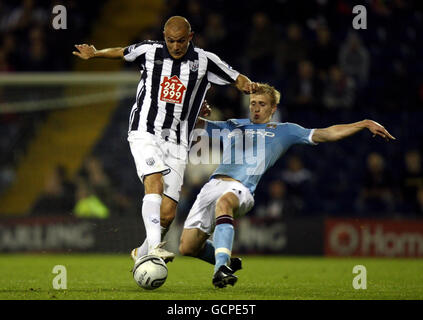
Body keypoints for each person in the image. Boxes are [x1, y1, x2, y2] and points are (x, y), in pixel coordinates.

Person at [72, 16, 257, 264]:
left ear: (190, 38)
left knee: (168, 214)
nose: (176, 46)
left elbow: (235, 76)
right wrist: (95, 54)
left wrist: (247, 86)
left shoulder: (204, 61)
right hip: (145, 131)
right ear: (164, 37)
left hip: (178, 142)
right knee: (154, 181)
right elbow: (121, 52)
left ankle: (142, 251)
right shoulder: (149, 51)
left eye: (181, 41)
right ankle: (155, 248)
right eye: (170, 41)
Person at [178, 83, 395, 288]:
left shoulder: (284, 130)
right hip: (212, 185)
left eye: (261, 104)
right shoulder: (233, 125)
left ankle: (221, 268)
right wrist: (197, 108)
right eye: (253, 103)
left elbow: (327, 133)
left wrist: (364, 123)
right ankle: (226, 260)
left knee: (224, 204)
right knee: (187, 247)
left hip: (241, 188)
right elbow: (193, 124)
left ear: (273, 108)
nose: (255, 108)